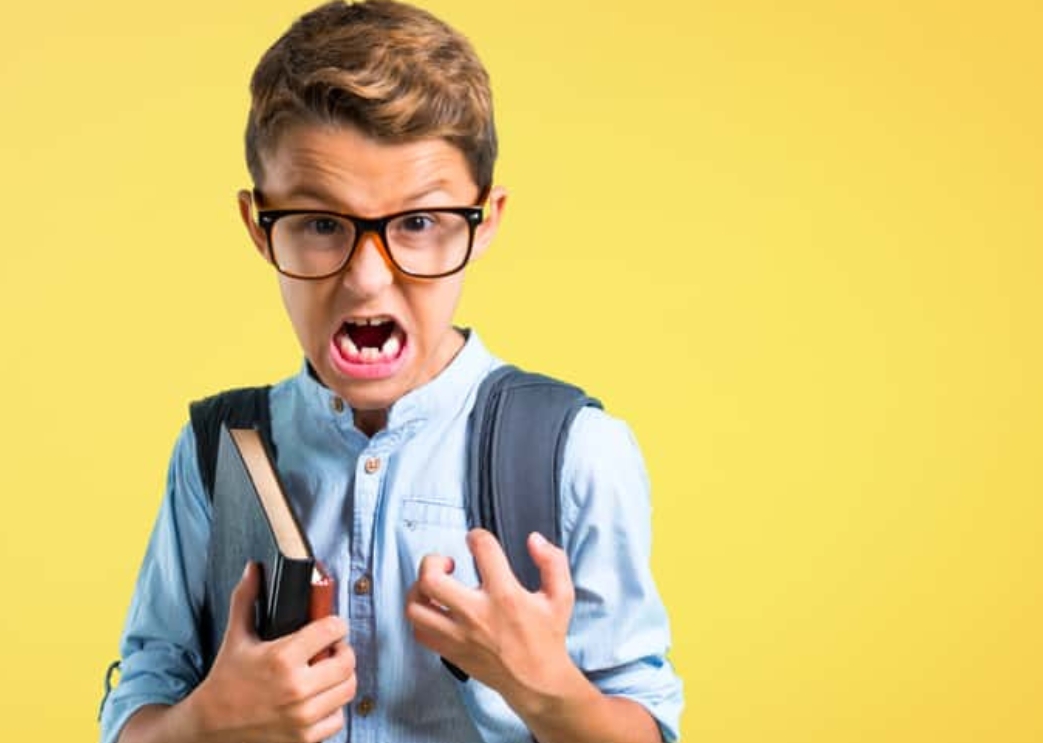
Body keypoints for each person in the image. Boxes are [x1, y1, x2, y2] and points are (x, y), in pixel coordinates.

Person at [99, 2, 684, 741]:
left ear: (486, 220)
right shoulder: (216, 451)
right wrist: (206, 722)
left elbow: (645, 720)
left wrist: (547, 690)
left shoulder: (577, 450)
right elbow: (141, 700)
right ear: (258, 225)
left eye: (417, 222)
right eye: (319, 223)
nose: (369, 281)